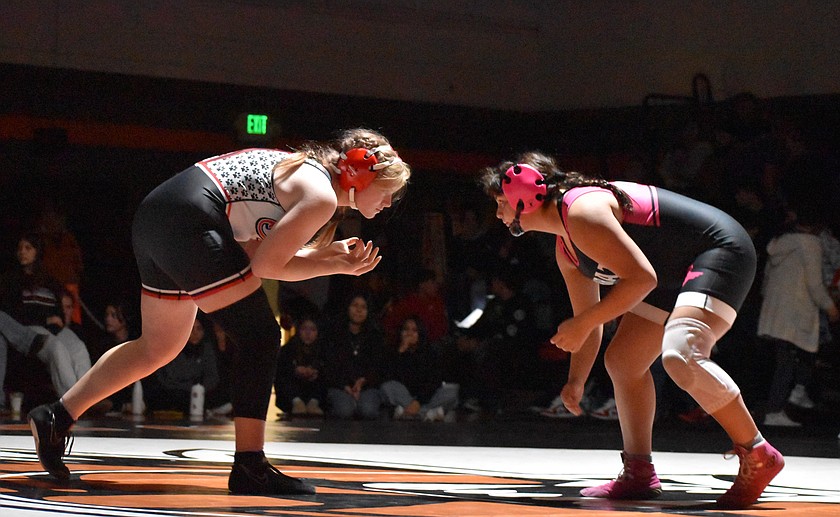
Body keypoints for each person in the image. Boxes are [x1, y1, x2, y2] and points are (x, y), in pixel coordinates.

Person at [27, 128, 411, 496]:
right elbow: (266, 266)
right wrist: (332, 264)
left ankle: (56, 416)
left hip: (160, 216)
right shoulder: (321, 195)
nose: (389, 202)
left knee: (157, 347)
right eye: (388, 191)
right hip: (187, 221)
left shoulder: (303, 172)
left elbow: (250, 252)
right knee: (260, 335)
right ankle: (250, 465)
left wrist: (323, 255)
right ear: (359, 176)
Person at [479, 151, 783, 509]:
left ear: (524, 195)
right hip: (670, 272)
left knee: (681, 354)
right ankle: (639, 471)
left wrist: (583, 324)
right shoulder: (567, 247)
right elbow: (590, 317)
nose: (498, 213)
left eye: (500, 202)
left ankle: (758, 452)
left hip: (718, 250)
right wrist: (576, 381)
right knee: (624, 361)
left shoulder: (582, 212)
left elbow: (639, 280)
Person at [756, 207, 839, 426]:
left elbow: (765, 282)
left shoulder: (779, 243)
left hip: (776, 312)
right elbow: (815, 284)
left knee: (789, 359)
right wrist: (830, 307)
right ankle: (777, 409)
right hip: (796, 313)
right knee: (793, 360)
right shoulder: (810, 244)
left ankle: (791, 398)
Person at [380, 316, 458, 421]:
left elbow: (434, 380)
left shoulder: (430, 352)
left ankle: (407, 413)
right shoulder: (394, 351)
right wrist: (401, 352)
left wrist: (418, 402)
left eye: (414, 330)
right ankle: (426, 414)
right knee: (386, 387)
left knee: (452, 392)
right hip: (404, 396)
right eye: (406, 329)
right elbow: (389, 376)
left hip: (425, 397)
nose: (409, 333)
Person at [322, 293, 386, 420]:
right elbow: (329, 365)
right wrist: (344, 385)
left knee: (368, 410)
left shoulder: (375, 336)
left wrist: (363, 381)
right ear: (347, 307)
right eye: (355, 305)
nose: (359, 310)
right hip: (339, 385)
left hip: (367, 386)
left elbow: (379, 366)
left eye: (363, 307)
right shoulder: (335, 334)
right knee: (344, 411)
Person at [143, 313, 222, 414]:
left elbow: (212, 377)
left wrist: (197, 389)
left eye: (199, 329)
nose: (195, 333)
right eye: (191, 329)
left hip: (199, 394)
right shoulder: (174, 348)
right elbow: (167, 377)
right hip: (172, 393)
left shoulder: (206, 348)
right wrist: (187, 387)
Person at [274, 314, 327, 417]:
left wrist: (315, 372)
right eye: (304, 329)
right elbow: (280, 373)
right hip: (292, 394)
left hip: (316, 393)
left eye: (312, 330)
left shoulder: (323, 350)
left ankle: (314, 403)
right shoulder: (287, 349)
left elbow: (329, 370)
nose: (308, 333)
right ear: (298, 330)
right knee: (284, 377)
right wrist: (295, 370)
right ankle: (297, 402)